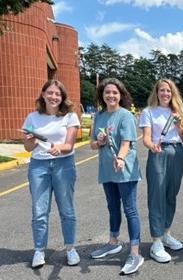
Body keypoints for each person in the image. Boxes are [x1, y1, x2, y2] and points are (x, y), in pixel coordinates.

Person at [22, 79, 81, 268]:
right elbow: (27, 147)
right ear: (43, 94)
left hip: (63, 164)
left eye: (57, 94)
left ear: (62, 97)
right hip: (38, 166)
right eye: (50, 93)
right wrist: (31, 139)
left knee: (67, 210)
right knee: (39, 211)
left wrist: (59, 148)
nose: (53, 97)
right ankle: (39, 250)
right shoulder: (32, 118)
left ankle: (70, 248)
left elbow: (69, 145)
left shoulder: (70, 116)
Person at [89, 78, 143, 275]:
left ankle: (135, 252)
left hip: (124, 170)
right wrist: (100, 142)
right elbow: (92, 144)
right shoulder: (99, 116)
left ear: (121, 95)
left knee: (130, 210)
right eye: (107, 92)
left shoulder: (125, 116)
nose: (110, 95)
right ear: (102, 95)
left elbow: (127, 142)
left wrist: (120, 158)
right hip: (106, 169)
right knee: (112, 207)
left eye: (114, 92)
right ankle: (113, 242)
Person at [138, 78, 183, 263]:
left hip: (177, 152)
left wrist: (178, 125)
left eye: (168, 91)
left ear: (172, 93)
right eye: (162, 90)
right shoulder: (148, 112)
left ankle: (166, 232)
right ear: (156, 93)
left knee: (171, 194)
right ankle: (156, 241)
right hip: (158, 152)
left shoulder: (177, 112)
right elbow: (146, 138)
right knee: (156, 195)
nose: (165, 94)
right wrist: (152, 146)